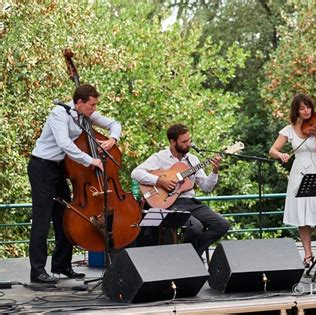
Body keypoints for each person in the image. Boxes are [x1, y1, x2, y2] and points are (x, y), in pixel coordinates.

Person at [28, 84, 121, 283]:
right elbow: (64, 144)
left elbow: (115, 124)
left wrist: (112, 139)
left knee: (65, 218)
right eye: (92, 105)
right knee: (42, 221)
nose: (94, 109)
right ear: (80, 102)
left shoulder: (84, 114)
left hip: (58, 169)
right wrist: (91, 160)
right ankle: (37, 271)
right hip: (42, 167)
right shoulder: (59, 114)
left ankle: (61, 265)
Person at [131, 123, 230, 259]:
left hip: (190, 203)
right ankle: (183, 258)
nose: (188, 144)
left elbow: (206, 187)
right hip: (171, 204)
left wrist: (214, 171)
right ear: (172, 142)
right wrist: (159, 181)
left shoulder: (193, 160)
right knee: (195, 228)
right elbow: (135, 173)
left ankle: (190, 256)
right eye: (184, 142)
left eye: (189, 140)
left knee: (222, 224)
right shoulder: (160, 158)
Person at [269, 94, 316, 268]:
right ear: (296, 111)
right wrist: (281, 155)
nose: (306, 111)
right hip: (299, 171)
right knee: (302, 216)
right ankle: (307, 253)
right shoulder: (289, 130)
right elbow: (272, 150)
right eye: (302, 108)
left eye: (308, 107)